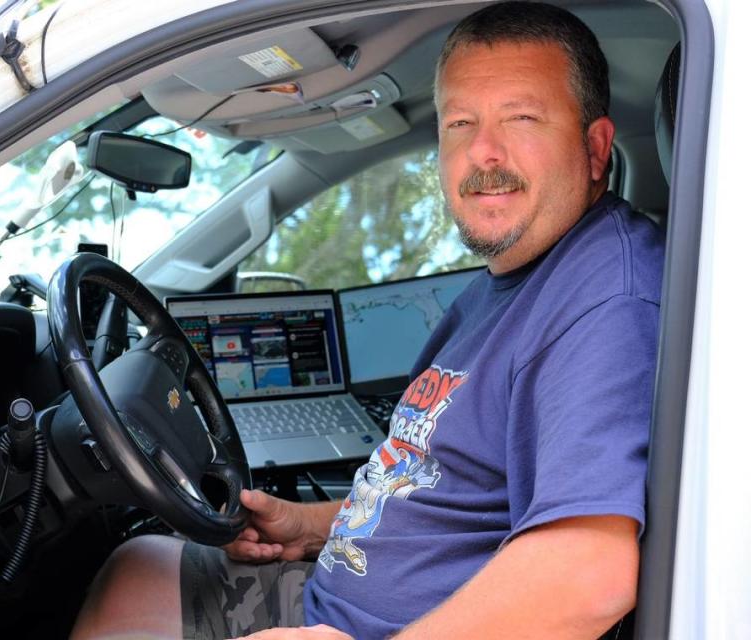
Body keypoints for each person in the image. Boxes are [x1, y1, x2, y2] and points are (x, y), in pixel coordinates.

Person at [72, 2, 664, 638]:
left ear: (596, 148)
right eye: (460, 123)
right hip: (331, 595)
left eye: (521, 118)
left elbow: (588, 572)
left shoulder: (607, 297)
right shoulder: (502, 285)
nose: (483, 152)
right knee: (136, 567)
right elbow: (427, 488)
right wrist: (308, 526)